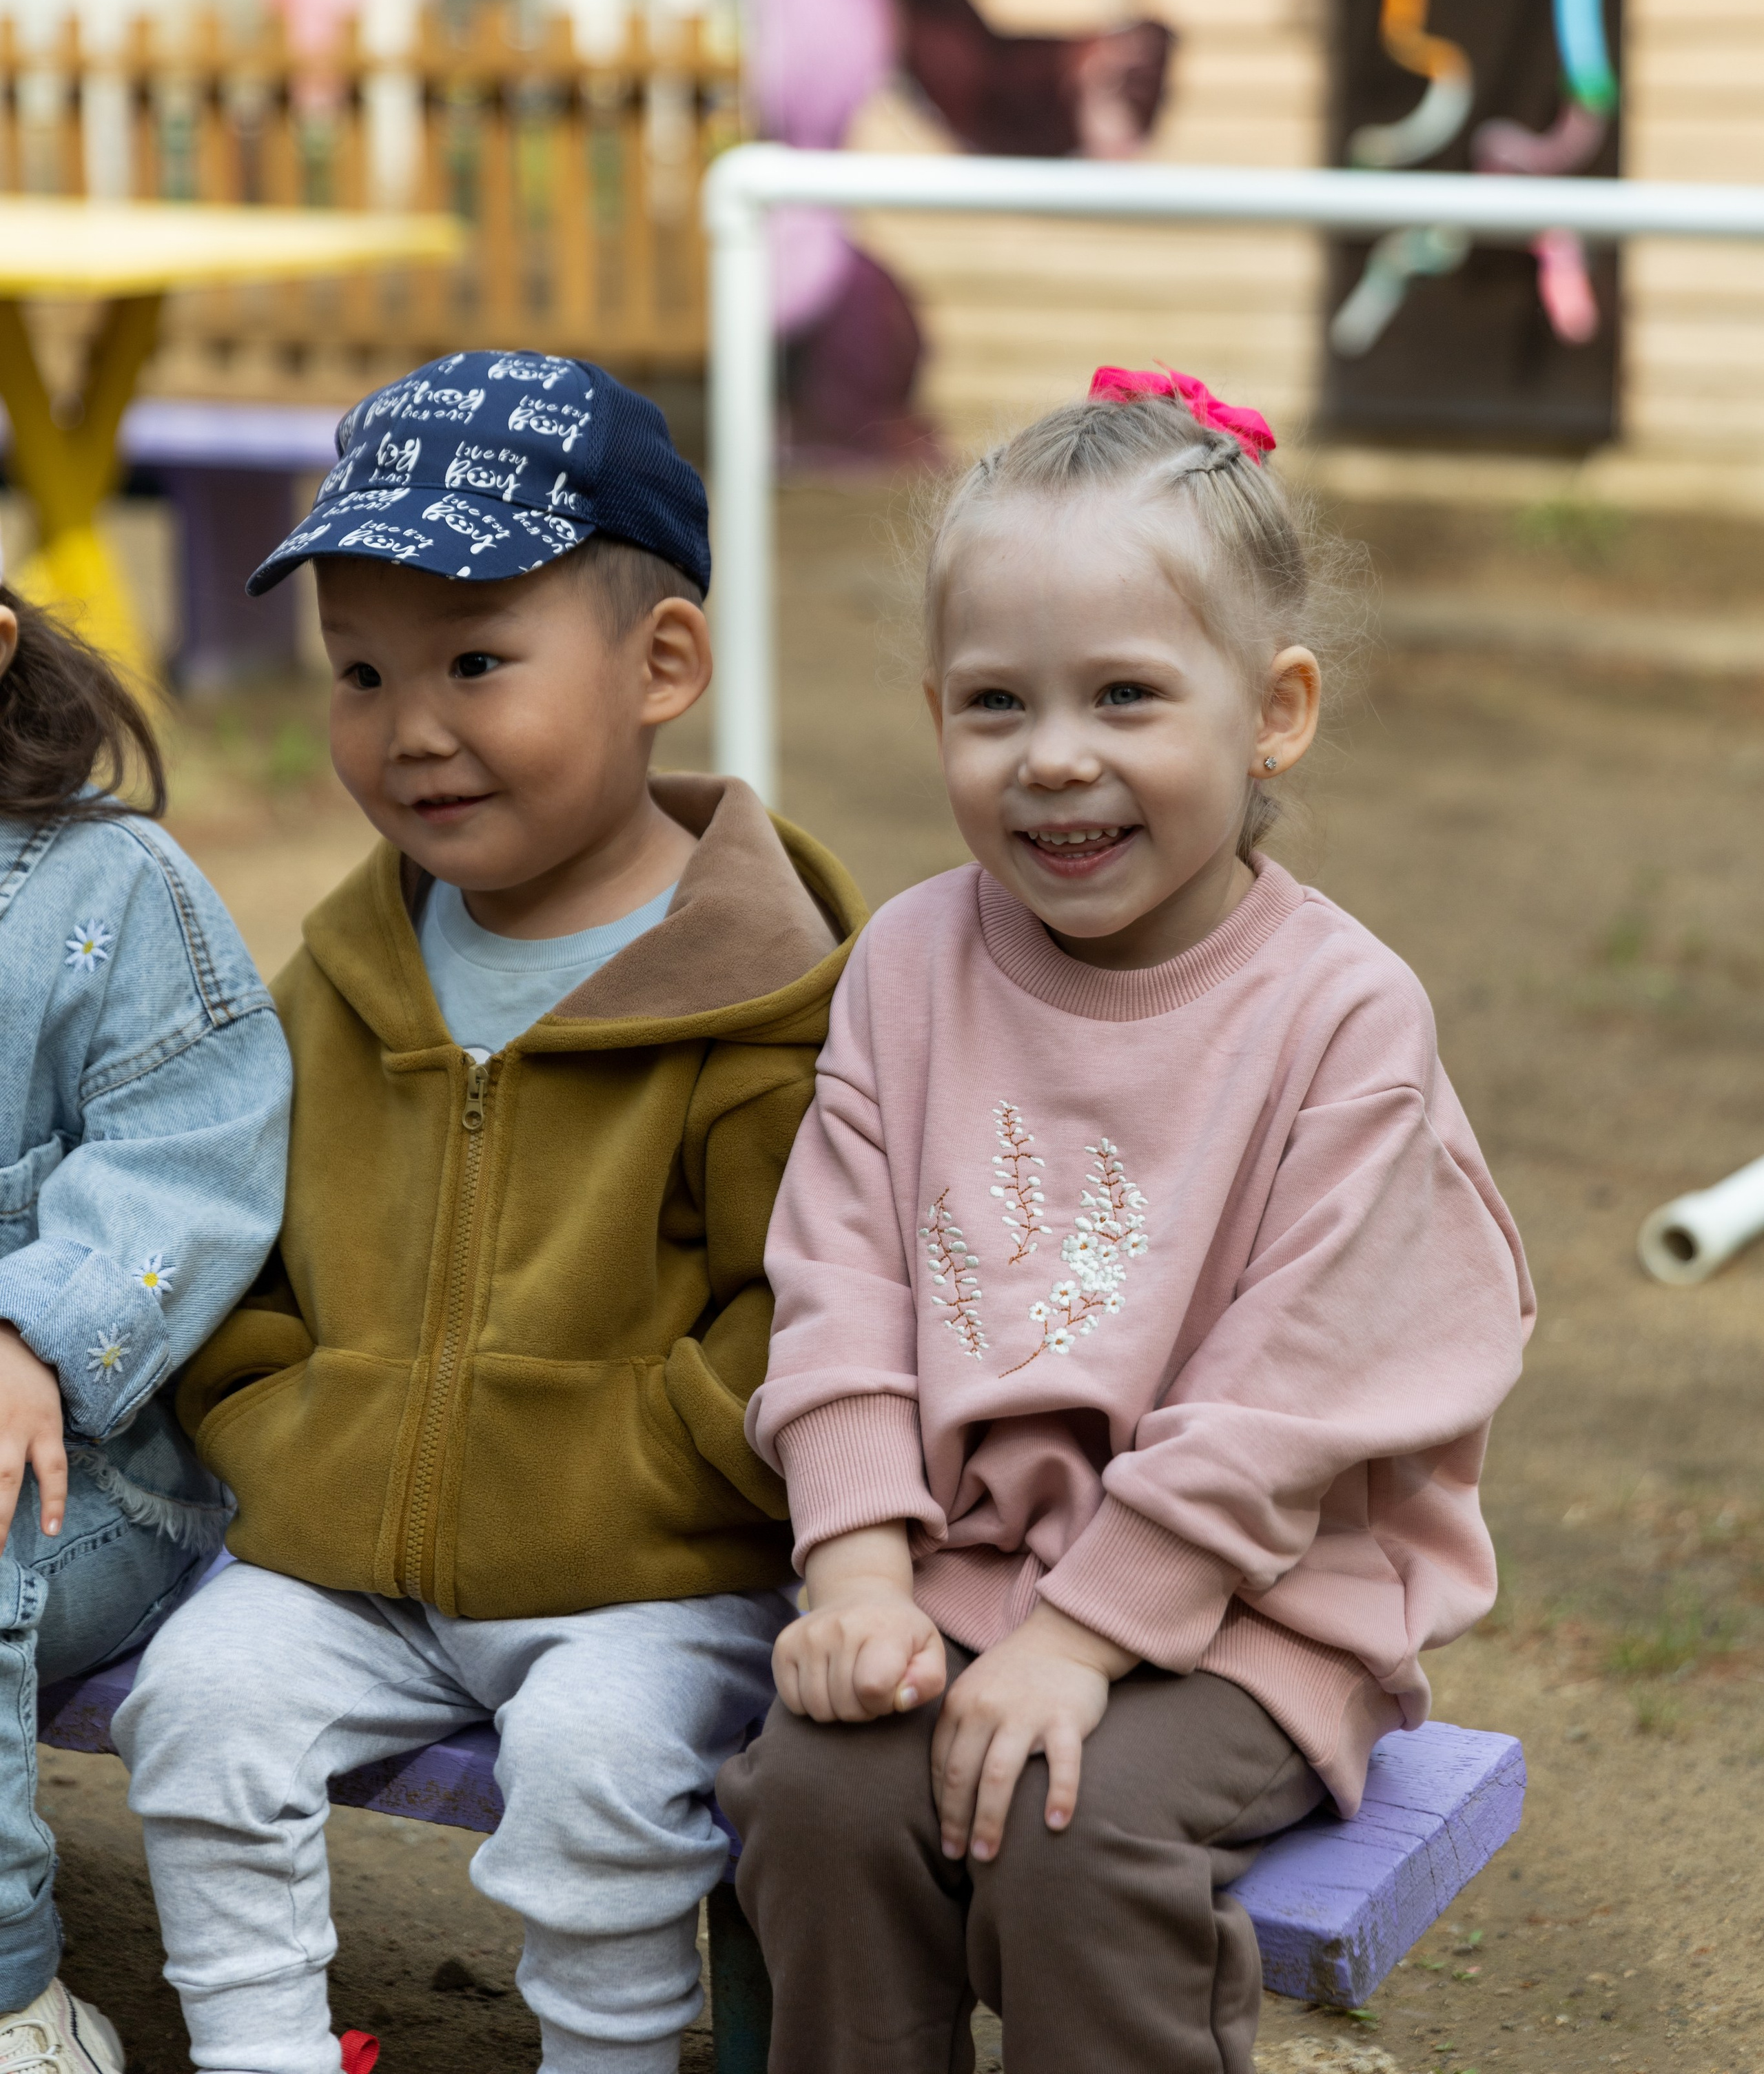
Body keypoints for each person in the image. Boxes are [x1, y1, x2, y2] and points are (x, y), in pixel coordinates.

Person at [719, 368, 1535, 2074]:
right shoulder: (908, 967)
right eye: (995, 704)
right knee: (813, 1798)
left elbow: (1290, 1399)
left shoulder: (1337, 1018)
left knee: (1071, 1831)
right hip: (961, 1568)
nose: (1055, 759)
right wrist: (860, 1572)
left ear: (1273, 711)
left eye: (1125, 695)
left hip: (1253, 1606)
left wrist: (1083, 1639)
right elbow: (839, 1288)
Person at [114, 352, 865, 2074]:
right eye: (360, 672)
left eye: (474, 662)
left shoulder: (766, 994)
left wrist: (653, 1461)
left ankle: (605, 2059)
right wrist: (291, 1425)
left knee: (602, 1772)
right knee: (201, 1704)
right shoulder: (348, 971)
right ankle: (259, 2052)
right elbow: (243, 1230)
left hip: (650, 1568)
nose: (412, 728)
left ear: (661, 662)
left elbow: (806, 1303)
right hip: (353, 1551)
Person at [0, 579, 290, 2074]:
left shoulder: (109, 889)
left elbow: (192, 1153)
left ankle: (14, 1998)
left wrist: (31, 1328)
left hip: (89, 1477)